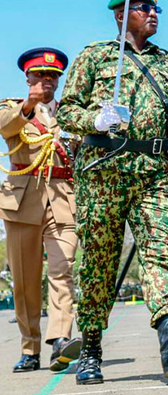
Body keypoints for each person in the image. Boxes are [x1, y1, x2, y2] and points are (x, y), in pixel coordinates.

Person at [57, 0, 168, 384]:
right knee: (99, 262)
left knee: (159, 252)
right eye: (143, 8)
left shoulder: (166, 61)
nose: (153, 13)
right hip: (102, 171)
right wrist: (95, 119)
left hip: (153, 170)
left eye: (155, 8)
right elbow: (66, 110)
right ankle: (92, 347)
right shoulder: (95, 55)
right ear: (120, 16)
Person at [1, 48, 80, 373]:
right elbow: (5, 127)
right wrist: (29, 105)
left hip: (63, 200)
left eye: (52, 77)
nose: (46, 81)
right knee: (25, 281)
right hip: (22, 203)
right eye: (40, 75)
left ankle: (60, 340)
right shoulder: (13, 107)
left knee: (63, 270)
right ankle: (29, 347)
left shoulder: (71, 113)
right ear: (28, 77)